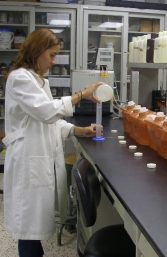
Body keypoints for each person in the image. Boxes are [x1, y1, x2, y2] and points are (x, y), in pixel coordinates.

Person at [3, 28, 102, 257]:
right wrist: (81, 95)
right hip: (28, 162)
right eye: (52, 55)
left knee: (34, 226)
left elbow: (50, 122)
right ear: (37, 52)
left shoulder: (41, 82)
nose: (54, 61)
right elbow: (47, 112)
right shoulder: (19, 78)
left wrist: (79, 130)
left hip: (38, 159)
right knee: (28, 228)